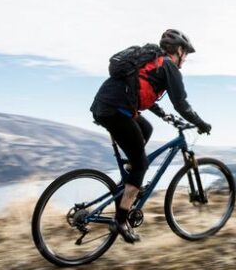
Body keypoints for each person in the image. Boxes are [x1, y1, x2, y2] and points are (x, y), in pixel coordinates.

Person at [90, 29, 212, 243]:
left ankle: (130, 179)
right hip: (116, 111)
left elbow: (143, 90)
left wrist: (166, 116)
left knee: (146, 129)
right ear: (180, 50)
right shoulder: (169, 66)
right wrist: (200, 123)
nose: (185, 59)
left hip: (106, 106)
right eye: (186, 54)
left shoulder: (153, 62)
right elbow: (181, 103)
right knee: (141, 164)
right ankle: (120, 220)